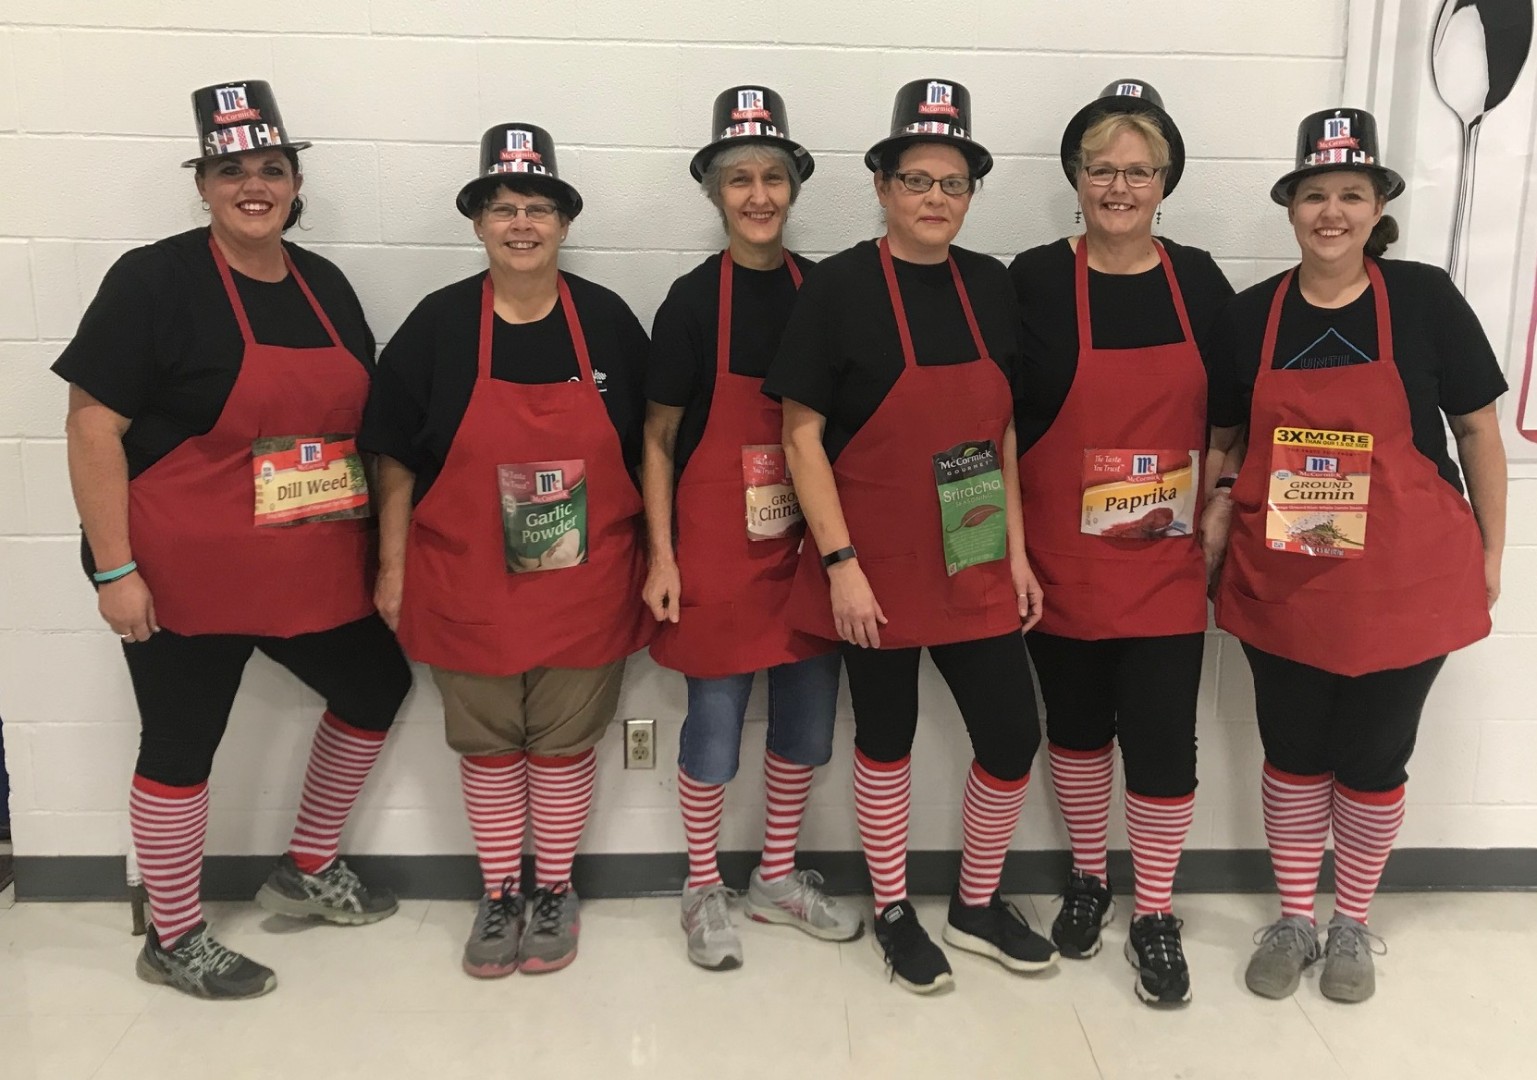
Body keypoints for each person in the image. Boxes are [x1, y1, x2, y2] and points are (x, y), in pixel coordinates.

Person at [53, 81, 411, 1000]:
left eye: (272, 169)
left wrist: (386, 556)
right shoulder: (154, 281)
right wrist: (115, 569)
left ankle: (307, 864)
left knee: (376, 686)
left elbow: (356, 427)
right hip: (184, 568)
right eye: (231, 170)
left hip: (308, 559)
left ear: (296, 184)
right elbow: (91, 426)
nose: (255, 186)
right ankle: (174, 936)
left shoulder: (325, 285)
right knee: (182, 742)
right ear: (203, 184)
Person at [1204, 107, 1507, 1003]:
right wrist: (1212, 512)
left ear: (1378, 208)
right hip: (1284, 579)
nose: (1330, 212)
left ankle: (1350, 923)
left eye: (1350, 194)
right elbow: (1222, 440)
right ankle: (1295, 917)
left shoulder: (1422, 299)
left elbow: (1478, 432)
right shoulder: (1250, 314)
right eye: (1313, 195)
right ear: (1289, 207)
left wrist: (1491, 552)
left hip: (1406, 579)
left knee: (1373, 757)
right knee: (1293, 750)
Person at [765, 78, 1058, 995]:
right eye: (917, 180)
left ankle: (975, 902)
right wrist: (840, 565)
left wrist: (1014, 552)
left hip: (974, 552)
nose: (936, 197)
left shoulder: (990, 284)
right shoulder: (839, 288)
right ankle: (893, 907)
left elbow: (1000, 430)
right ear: (883, 186)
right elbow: (800, 435)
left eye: (953, 182)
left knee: (1010, 736)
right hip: (876, 563)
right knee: (885, 738)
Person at [363, 123, 653, 979]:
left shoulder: (606, 321)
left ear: (563, 222)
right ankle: (498, 893)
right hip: (465, 580)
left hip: (586, 580)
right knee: (489, 746)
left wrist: (662, 559)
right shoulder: (438, 324)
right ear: (477, 223)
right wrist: (392, 570)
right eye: (503, 208)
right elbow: (394, 458)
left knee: (563, 746)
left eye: (537, 207)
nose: (521, 224)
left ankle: (553, 889)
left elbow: (652, 449)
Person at [1010, 79, 1234, 1006]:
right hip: (1059, 560)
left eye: (1138, 171)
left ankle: (1155, 911)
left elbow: (1232, 414)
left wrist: (1221, 506)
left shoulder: (1200, 281)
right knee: (1074, 731)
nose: (1118, 187)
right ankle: (1087, 878)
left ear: (1164, 181)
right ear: (1075, 177)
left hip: (1166, 562)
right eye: (1101, 169)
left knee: (1161, 741)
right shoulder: (1031, 279)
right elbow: (995, 421)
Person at [644, 85, 859, 970]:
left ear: (794, 187)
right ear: (714, 192)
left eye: (773, 177)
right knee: (713, 727)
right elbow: (657, 440)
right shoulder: (692, 302)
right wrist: (662, 556)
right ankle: (702, 884)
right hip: (716, 554)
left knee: (806, 728)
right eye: (739, 179)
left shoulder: (828, 293)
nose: (758, 195)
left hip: (809, 551)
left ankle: (774, 875)